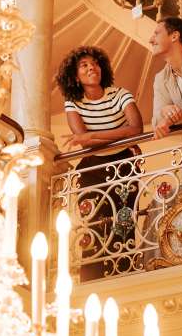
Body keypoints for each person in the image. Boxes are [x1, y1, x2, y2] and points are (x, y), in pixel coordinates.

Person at [56, 46, 143, 271]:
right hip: (92, 168)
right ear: (76, 76)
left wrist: (92, 135)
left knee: (123, 221)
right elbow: (84, 143)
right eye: (84, 65)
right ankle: (92, 275)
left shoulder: (120, 94)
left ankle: (125, 270)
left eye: (95, 63)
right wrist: (114, 136)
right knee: (94, 223)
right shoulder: (73, 102)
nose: (91, 67)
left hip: (123, 163)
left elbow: (136, 129)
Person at [149, 16, 182, 139]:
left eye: (156, 34)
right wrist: (164, 111)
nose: (150, 40)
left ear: (174, 36)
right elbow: (156, 122)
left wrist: (174, 118)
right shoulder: (160, 78)